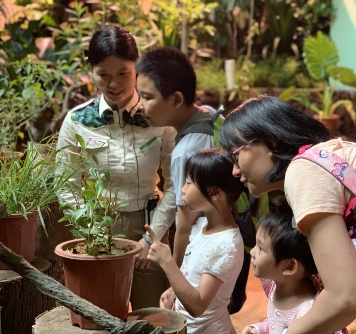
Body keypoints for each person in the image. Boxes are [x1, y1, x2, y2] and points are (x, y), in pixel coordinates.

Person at [219, 95, 356, 334]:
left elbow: (346, 297)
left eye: (236, 156)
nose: (234, 171)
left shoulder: (304, 171)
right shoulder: (321, 158)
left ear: (270, 141)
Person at [135, 46, 264, 314]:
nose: (140, 105)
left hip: (209, 250)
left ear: (175, 99)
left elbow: (183, 226)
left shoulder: (187, 151)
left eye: (147, 97)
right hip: (237, 231)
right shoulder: (208, 115)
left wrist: (176, 279)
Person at [56, 25, 177, 310]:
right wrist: (91, 230)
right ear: (92, 73)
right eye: (104, 75)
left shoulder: (159, 118)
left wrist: (151, 237)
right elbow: (66, 185)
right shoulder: (77, 121)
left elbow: (175, 185)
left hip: (150, 222)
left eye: (123, 73)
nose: (114, 84)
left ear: (137, 67)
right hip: (98, 226)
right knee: (101, 313)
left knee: (152, 314)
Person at [145, 148, 244, 333]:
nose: (183, 188)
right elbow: (193, 273)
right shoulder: (202, 224)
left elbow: (198, 307)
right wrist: (175, 292)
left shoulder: (226, 245)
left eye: (189, 183)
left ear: (214, 193)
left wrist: (167, 262)